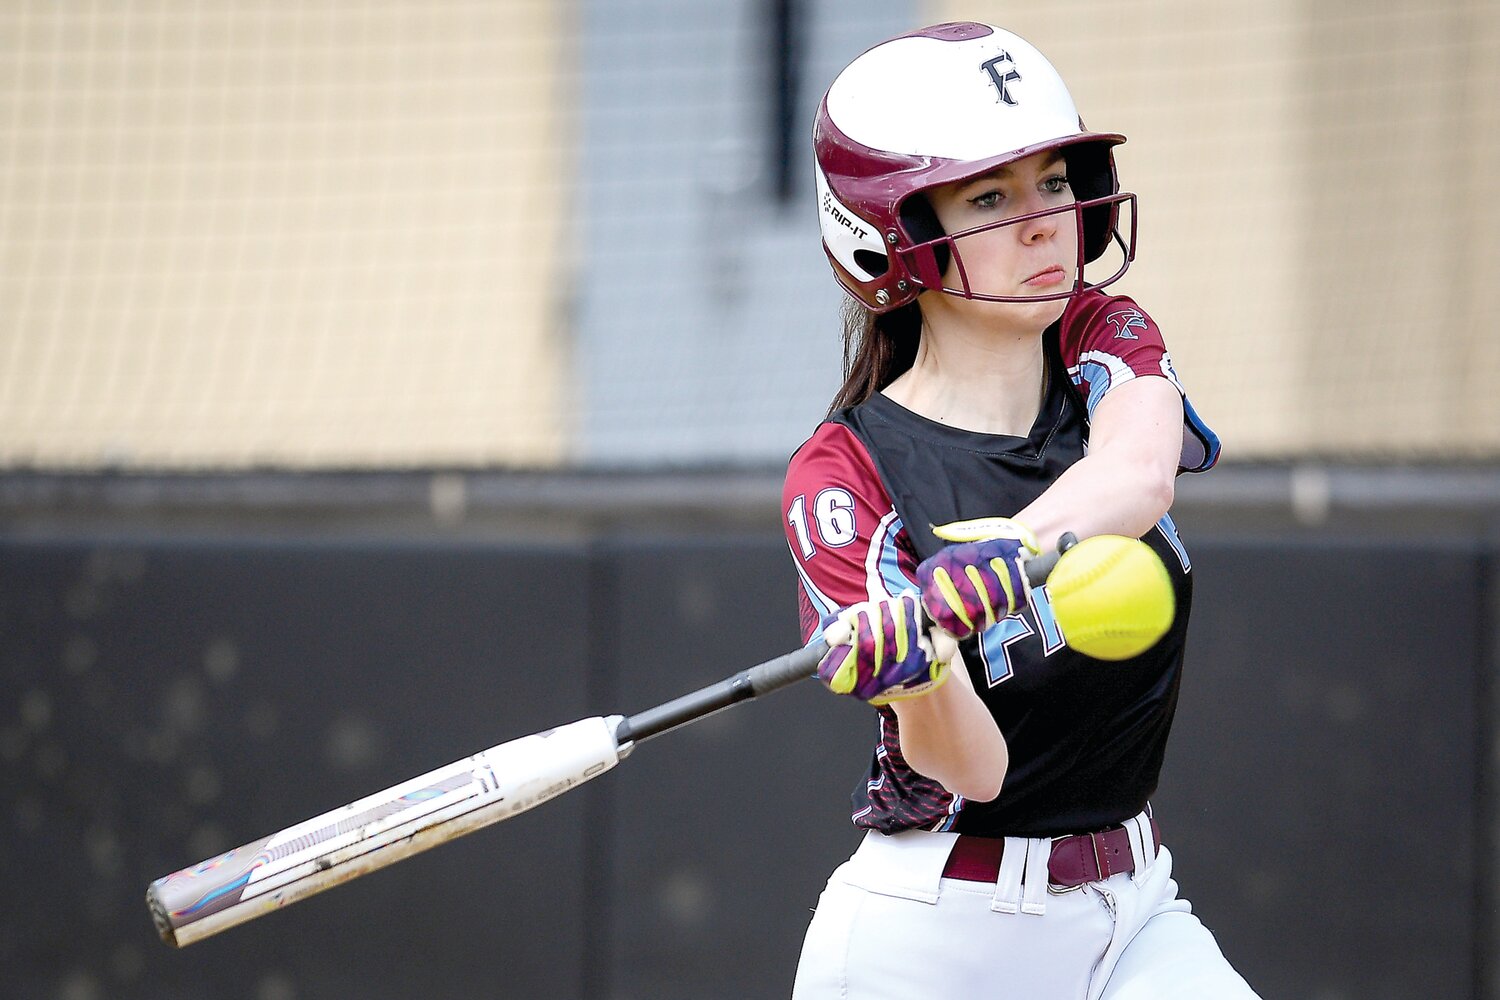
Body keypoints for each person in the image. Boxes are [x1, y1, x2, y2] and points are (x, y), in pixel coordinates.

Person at [781, 22, 1259, 1000]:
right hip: (934, 943)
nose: (1046, 222)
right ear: (891, 241)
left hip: (1135, 913)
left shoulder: (1103, 336)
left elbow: (1139, 474)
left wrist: (998, 551)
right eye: (992, 197)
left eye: (1053, 181)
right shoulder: (845, 478)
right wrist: (918, 669)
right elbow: (976, 770)